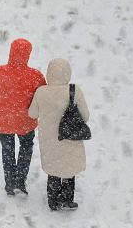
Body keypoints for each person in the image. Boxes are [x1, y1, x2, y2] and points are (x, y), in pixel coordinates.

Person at [0, 38, 46, 196]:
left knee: (7, 150)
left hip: (5, 121)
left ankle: (10, 182)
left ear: (11, 52)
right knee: (26, 148)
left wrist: (3, 103)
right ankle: (20, 180)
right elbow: (41, 99)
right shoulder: (35, 76)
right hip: (25, 121)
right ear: (28, 54)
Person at [27, 58, 91, 210]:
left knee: (53, 169)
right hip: (69, 136)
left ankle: (53, 201)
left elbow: (32, 113)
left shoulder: (41, 92)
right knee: (69, 169)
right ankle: (67, 200)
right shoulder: (74, 91)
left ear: (49, 73)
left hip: (50, 139)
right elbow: (86, 116)